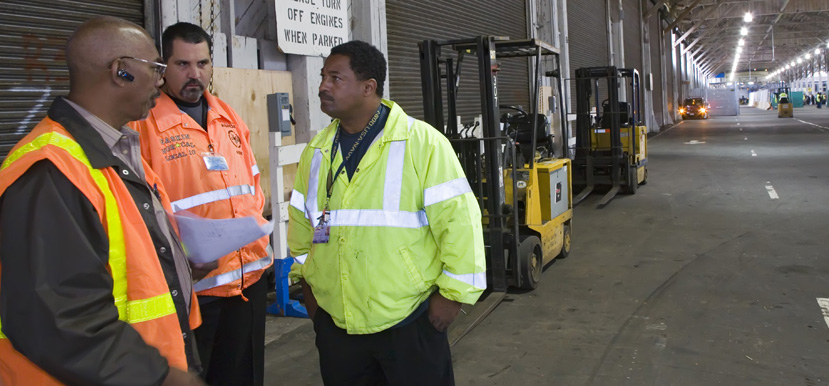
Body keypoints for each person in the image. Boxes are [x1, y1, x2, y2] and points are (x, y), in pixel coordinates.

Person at [0, 16, 204, 386]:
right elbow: (59, 318)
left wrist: (178, 266)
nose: (161, 80)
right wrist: (163, 378)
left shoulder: (115, 151)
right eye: (156, 68)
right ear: (121, 72)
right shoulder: (52, 170)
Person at [288, 40, 487, 385]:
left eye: (336, 78)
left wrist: (451, 298)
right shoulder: (317, 152)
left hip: (409, 323)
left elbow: (460, 225)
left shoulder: (422, 144)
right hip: (337, 325)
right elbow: (306, 227)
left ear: (369, 88)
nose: (323, 86)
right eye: (323, 77)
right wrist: (310, 292)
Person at [129, 22, 272, 386]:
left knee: (246, 375)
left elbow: (252, 185)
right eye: (183, 65)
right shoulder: (142, 124)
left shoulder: (227, 116)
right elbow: (138, 209)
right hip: (195, 287)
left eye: (203, 64)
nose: (195, 75)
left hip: (249, 281)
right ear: (162, 67)